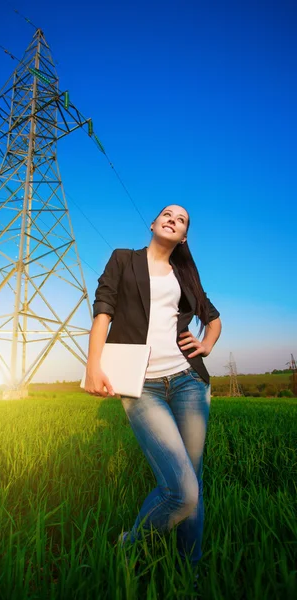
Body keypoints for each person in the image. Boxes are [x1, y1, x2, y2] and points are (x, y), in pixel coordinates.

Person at [84, 204, 222, 576]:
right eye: (167, 213)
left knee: (194, 481)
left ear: (184, 236)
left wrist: (206, 344)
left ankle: (188, 574)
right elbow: (103, 310)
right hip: (141, 384)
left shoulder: (185, 275)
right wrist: (92, 365)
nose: (173, 218)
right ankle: (127, 549)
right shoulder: (124, 259)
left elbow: (213, 317)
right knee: (181, 491)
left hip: (188, 382)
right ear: (153, 222)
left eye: (181, 219)